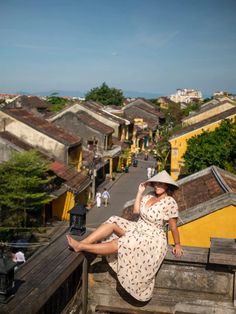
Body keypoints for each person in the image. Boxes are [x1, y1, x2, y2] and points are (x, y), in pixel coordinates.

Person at [67, 170, 183, 302]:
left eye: (161, 184)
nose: (157, 185)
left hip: (152, 237)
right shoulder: (149, 195)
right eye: (156, 183)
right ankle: (85, 242)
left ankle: (81, 246)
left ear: (167, 186)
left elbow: (173, 226)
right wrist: (140, 192)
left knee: (122, 243)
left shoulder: (170, 202)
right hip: (138, 227)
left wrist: (177, 244)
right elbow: (136, 211)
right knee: (113, 220)